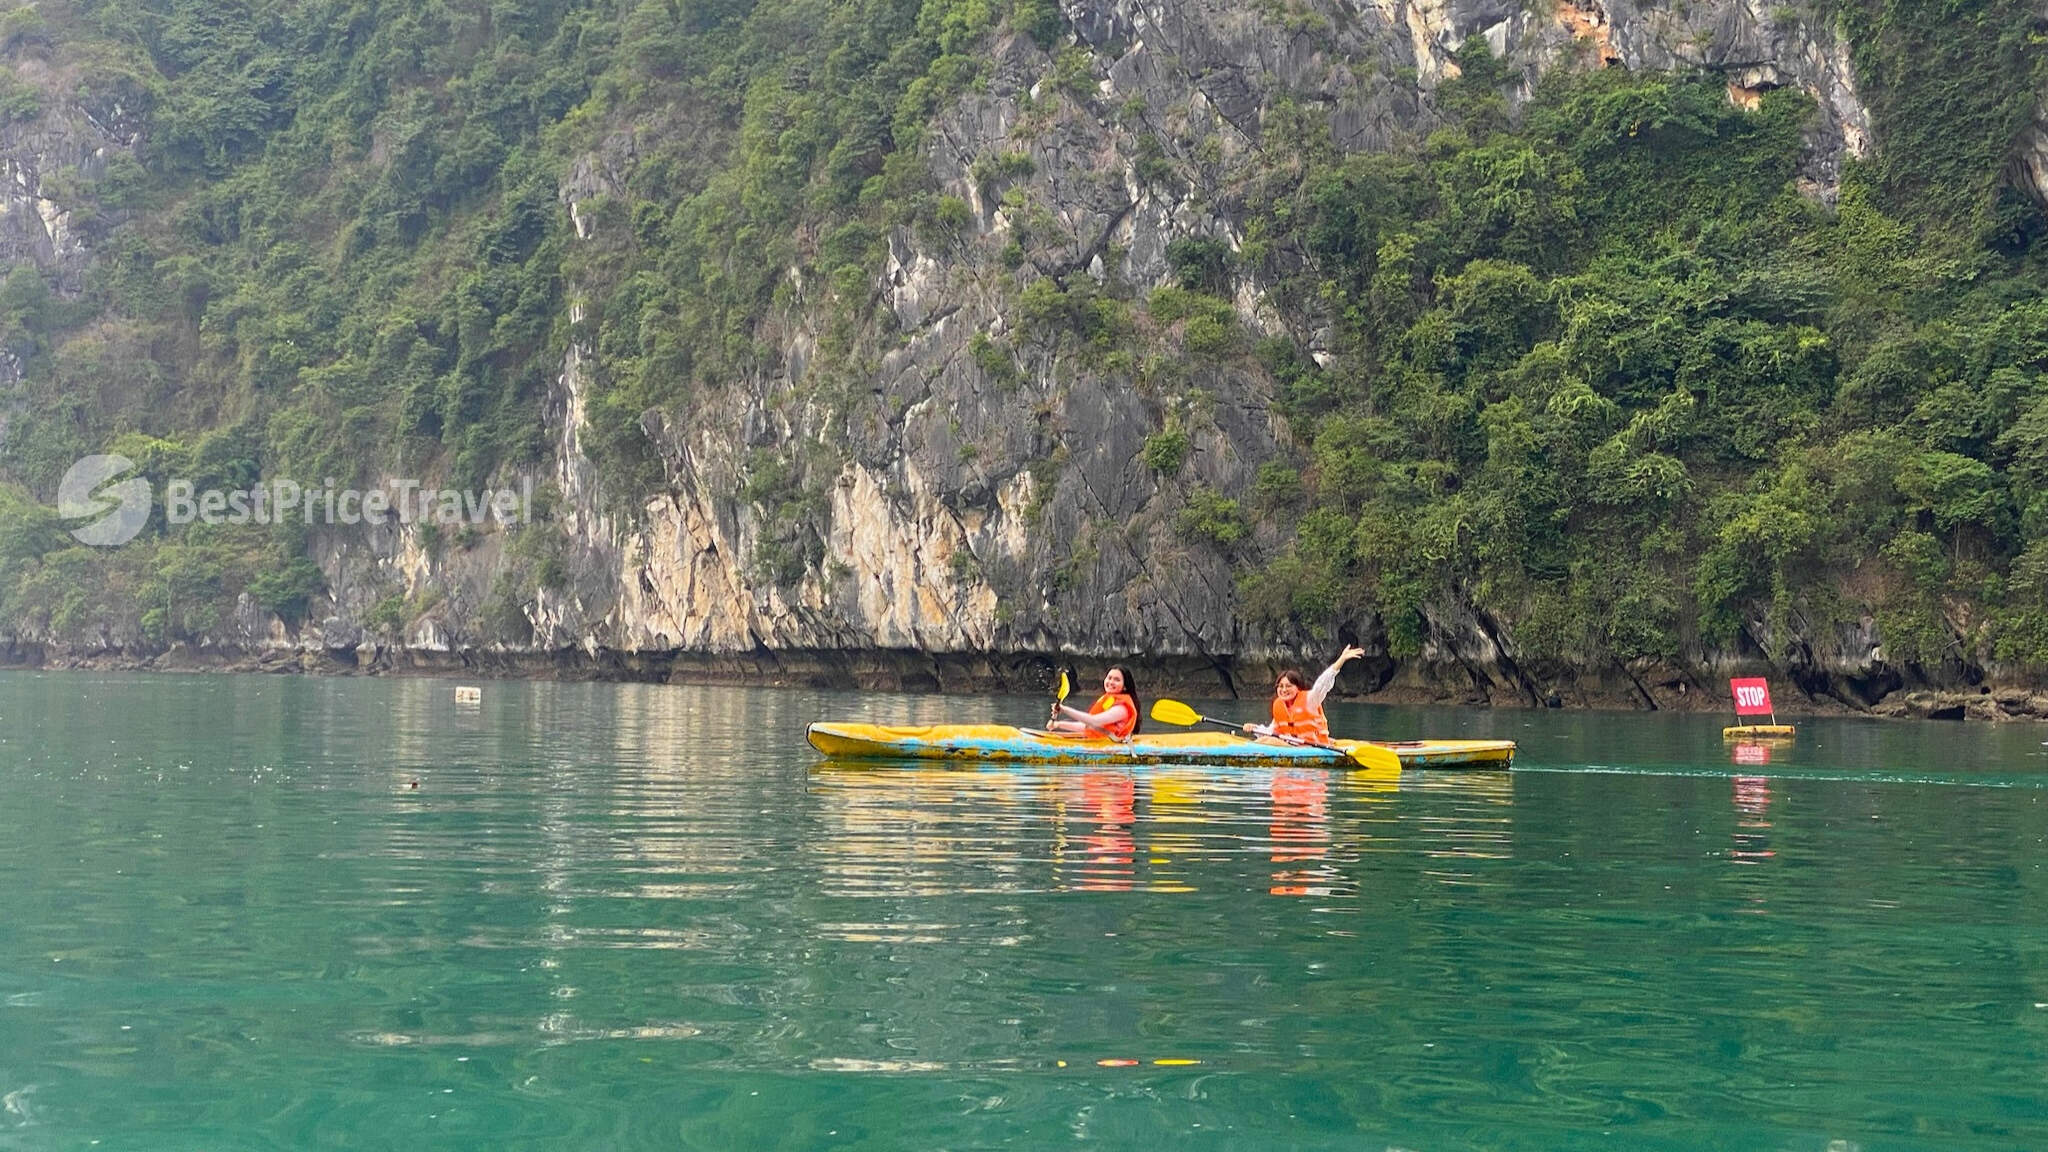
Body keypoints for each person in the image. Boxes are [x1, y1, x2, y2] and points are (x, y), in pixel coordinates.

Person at [1246, 646, 1366, 744]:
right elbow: (1270, 731)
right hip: (1294, 746)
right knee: (1266, 739)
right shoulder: (1279, 706)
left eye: (1289, 686)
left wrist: (1340, 661)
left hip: (1314, 747)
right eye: (1280, 686)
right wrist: (1255, 728)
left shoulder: (1310, 699)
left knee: (1269, 741)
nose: (1284, 690)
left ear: (1298, 687)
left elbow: (1322, 683)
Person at [1050, 666, 1141, 740]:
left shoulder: (1122, 708)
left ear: (1125, 686)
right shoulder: (1108, 701)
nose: (1111, 682)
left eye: (1117, 680)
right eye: (1109, 678)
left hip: (1110, 746)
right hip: (1099, 742)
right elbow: (1088, 726)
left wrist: (1065, 709)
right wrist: (1058, 724)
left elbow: (1094, 721)